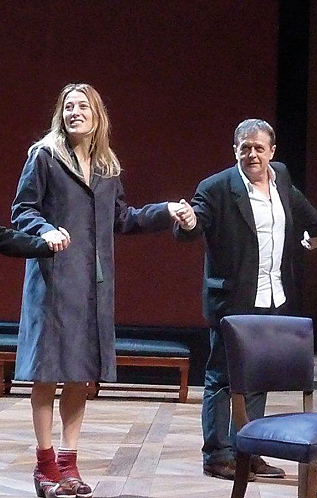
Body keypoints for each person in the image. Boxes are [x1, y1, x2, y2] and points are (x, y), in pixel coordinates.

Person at [11, 83, 195, 498]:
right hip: (52, 282)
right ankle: (44, 466)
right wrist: (44, 230)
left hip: (91, 288)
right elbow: (22, 210)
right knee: (46, 374)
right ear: (61, 114)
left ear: (97, 116)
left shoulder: (107, 167)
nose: (75, 112)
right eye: (68, 106)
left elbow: (122, 219)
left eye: (83, 106)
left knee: (80, 376)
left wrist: (165, 211)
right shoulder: (44, 157)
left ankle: (68, 464)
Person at [174, 118, 317, 480]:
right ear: (235, 151)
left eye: (259, 148)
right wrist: (189, 221)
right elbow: (194, 226)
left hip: (273, 295)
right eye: (245, 148)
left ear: (272, 151)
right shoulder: (216, 187)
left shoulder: (281, 176)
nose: (252, 154)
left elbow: (303, 211)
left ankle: (248, 450)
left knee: (257, 378)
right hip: (232, 300)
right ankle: (218, 455)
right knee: (222, 379)